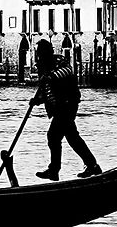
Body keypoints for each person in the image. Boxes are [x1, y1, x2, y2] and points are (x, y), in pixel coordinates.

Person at [30, 41, 100, 180]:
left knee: (53, 136)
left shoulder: (59, 60)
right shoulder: (41, 66)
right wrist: (38, 100)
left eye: (40, 52)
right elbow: (46, 89)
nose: (38, 55)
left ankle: (54, 170)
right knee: (72, 138)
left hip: (68, 104)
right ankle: (92, 166)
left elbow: (67, 71)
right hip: (57, 108)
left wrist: (51, 76)